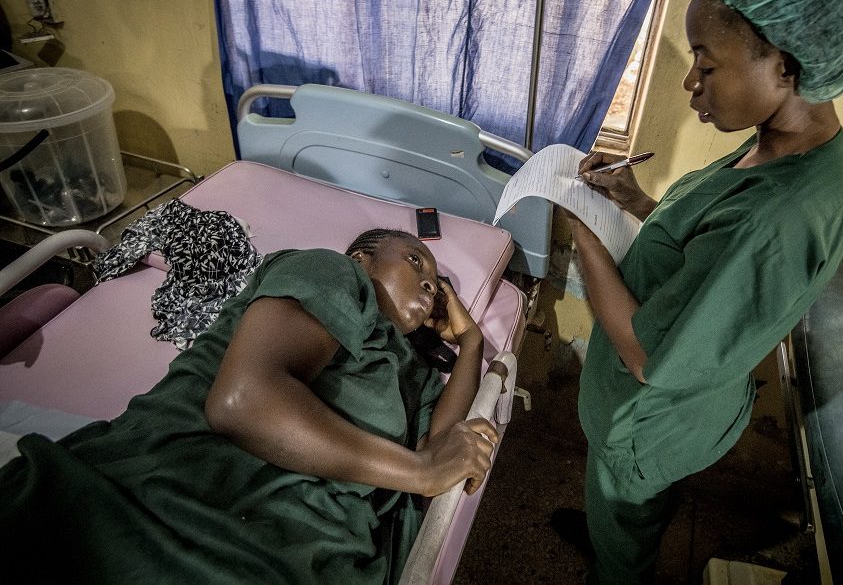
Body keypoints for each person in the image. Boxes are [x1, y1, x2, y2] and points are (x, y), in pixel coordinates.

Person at [563, 0, 843, 583]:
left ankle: (617, 562)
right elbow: (706, 249)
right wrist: (634, 202)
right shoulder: (791, 144)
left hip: (649, 419)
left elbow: (653, 356)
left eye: (706, 65)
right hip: (684, 411)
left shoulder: (780, 215)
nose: (691, 84)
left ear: (787, 65)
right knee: (628, 512)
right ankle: (618, 532)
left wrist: (582, 231)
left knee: (624, 526)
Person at [0, 229, 499, 584]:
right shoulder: (330, 272)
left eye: (436, 284)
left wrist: (471, 342)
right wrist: (418, 471)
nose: (431, 285)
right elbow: (244, 401)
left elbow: (440, 447)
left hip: (303, 547)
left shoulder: (408, 369)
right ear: (362, 258)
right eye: (415, 260)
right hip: (168, 508)